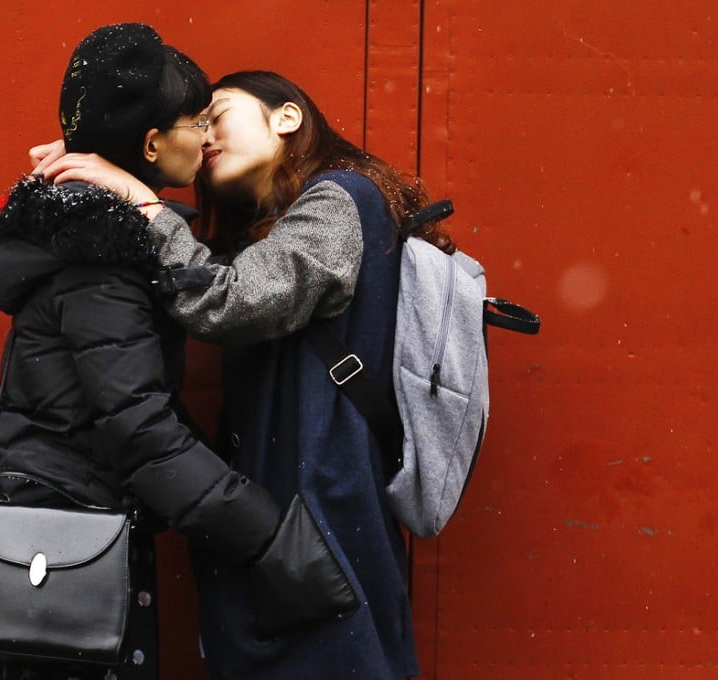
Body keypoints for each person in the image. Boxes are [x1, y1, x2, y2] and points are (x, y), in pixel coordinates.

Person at [39, 70, 457, 679]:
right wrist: (100, 175)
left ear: (286, 118)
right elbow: (211, 266)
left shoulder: (344, 196)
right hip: (298, 532)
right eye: (196, 124)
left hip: (327, 526)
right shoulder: (278, 227)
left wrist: (138, 199)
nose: (204, 135)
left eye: (219, 114)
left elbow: (230, 298)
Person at [0, 29, 341, 680]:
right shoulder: (98, 255)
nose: (208, 138)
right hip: (60, 550)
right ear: (151, 145)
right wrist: (272, 541)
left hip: (67, 536)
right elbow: (138, 429)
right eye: (198, 123)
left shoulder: (101, 237)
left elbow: (133, 398)